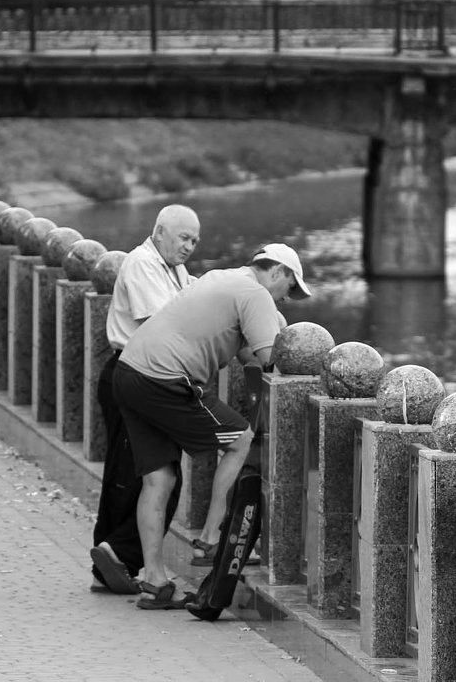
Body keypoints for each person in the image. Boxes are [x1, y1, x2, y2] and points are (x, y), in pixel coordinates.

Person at [114, 243, 312, 610]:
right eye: (290, 288)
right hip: (166, 378)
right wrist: (283, 334)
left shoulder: (223, 278)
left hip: (129, 372)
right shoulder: (255, 293)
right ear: (278, 272)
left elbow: (243, 353)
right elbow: (271, 360)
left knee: (159, 479)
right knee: (239, 440)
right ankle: (210, 539)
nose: (287, 298)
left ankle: (154, 582)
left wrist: (269, 328)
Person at [89, 204, 201, 595]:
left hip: (148, 377)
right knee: (138, 477)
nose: (189, 247)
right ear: (160, 232)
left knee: (145, 475)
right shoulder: (142, 264)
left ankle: (112, 562)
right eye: (183, 238)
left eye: (194, 241)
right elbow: (165, 326)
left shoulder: (175, 270)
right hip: (133, 374)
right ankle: (113, 557)